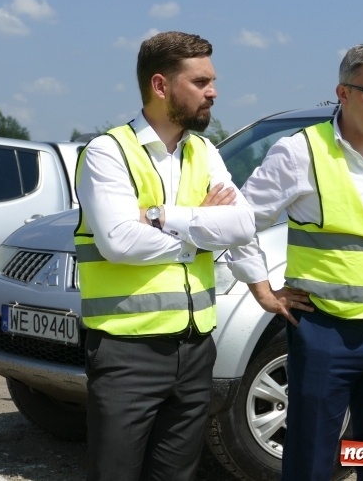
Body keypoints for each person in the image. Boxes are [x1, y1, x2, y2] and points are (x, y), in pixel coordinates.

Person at [228, 44, 363, 480]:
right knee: (313, 451)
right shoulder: (300, 152)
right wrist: (261, 289)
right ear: (342, 93)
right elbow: (239, 222)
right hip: (326, 331)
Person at [74, 31, 256, 480]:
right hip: (126, 352)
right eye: (200, 82)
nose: (213, 92)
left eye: (212, 81)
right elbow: (120, 242)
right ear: (161, 86)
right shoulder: (108, 152)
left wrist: (159, 216)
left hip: (195, 348)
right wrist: (199, 233)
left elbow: (242, 224)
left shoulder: (204, 150)